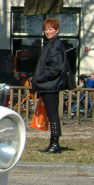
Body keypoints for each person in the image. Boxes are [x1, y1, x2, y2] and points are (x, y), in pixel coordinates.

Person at [32, 17, 72, 153]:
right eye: (46, 29)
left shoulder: (55, 45)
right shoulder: (51, 44)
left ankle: (55, 143)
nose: (47, 32)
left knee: (53, 115)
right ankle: (54, 142)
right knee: (51, 114)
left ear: (57, 30)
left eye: (50, 29)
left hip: (50, 85)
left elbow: (55, 68)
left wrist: (39, 79)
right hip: (49, 85)